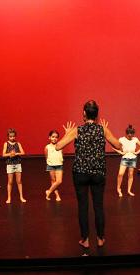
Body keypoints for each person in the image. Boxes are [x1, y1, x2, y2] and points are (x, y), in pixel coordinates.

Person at [56, 100, 121, 249]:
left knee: (83, 207)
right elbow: (118, 145)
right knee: (98, 206)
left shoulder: (77, 130)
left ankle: (85, 239)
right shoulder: (102, 130)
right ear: (97, 115)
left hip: (80, 173)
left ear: (84, 113)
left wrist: (67, 134)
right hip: (98, 172)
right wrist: (106, 131)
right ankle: (100, 238)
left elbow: (59, 146)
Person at [114, 124, 140, 197]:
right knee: (120, 174)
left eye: (132, 135)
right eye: (129, 135)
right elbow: (115, 146)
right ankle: (118, 189)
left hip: (133, 158)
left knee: (130, 175)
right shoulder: (121, 139)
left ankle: (129, 190)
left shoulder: (135, 139)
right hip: (125, 158)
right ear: (126, 134)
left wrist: (137, 152)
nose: (130, 137)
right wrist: (121, 152)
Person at [2, 128, 26, 203]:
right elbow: (3, 154)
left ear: (15, 136)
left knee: (19, 181)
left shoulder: (18, 143)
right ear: (8, 137)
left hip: (18, 164)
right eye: (10, 136)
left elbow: (23, 153)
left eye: (13, 136)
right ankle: (9, 197)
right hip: (10, 164)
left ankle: (21, 197)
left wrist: (16, 153)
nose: (12, 138)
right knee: (10, 182)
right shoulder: (6, 144)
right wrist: (10, 154)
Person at [45, 130, 63, 201]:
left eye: (56, 137)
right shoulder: (47, 147)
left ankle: (48, 191)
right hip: (51, 165)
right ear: (49, 137)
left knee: (59, 181)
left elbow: (61, 154)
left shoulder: (60, 146)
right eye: (53, 137)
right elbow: (46, 157)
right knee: (53, 181)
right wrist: (49, 163)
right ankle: (57, 195)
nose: (54, 138)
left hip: (59, 165)